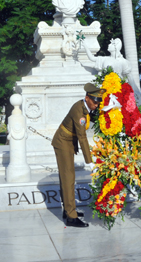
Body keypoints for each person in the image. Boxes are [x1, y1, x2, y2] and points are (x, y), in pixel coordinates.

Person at [52, 83, 105, 227]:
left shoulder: (86, 108)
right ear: (87, 98)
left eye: (99, 101)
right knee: (68, 178)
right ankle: (71, 217)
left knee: (67, 177)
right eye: (95, 100)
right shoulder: (79, 111)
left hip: (68, 141)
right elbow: (82, 137)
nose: (97, 104)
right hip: (63, 142)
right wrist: (89, 161)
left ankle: (68, 210)